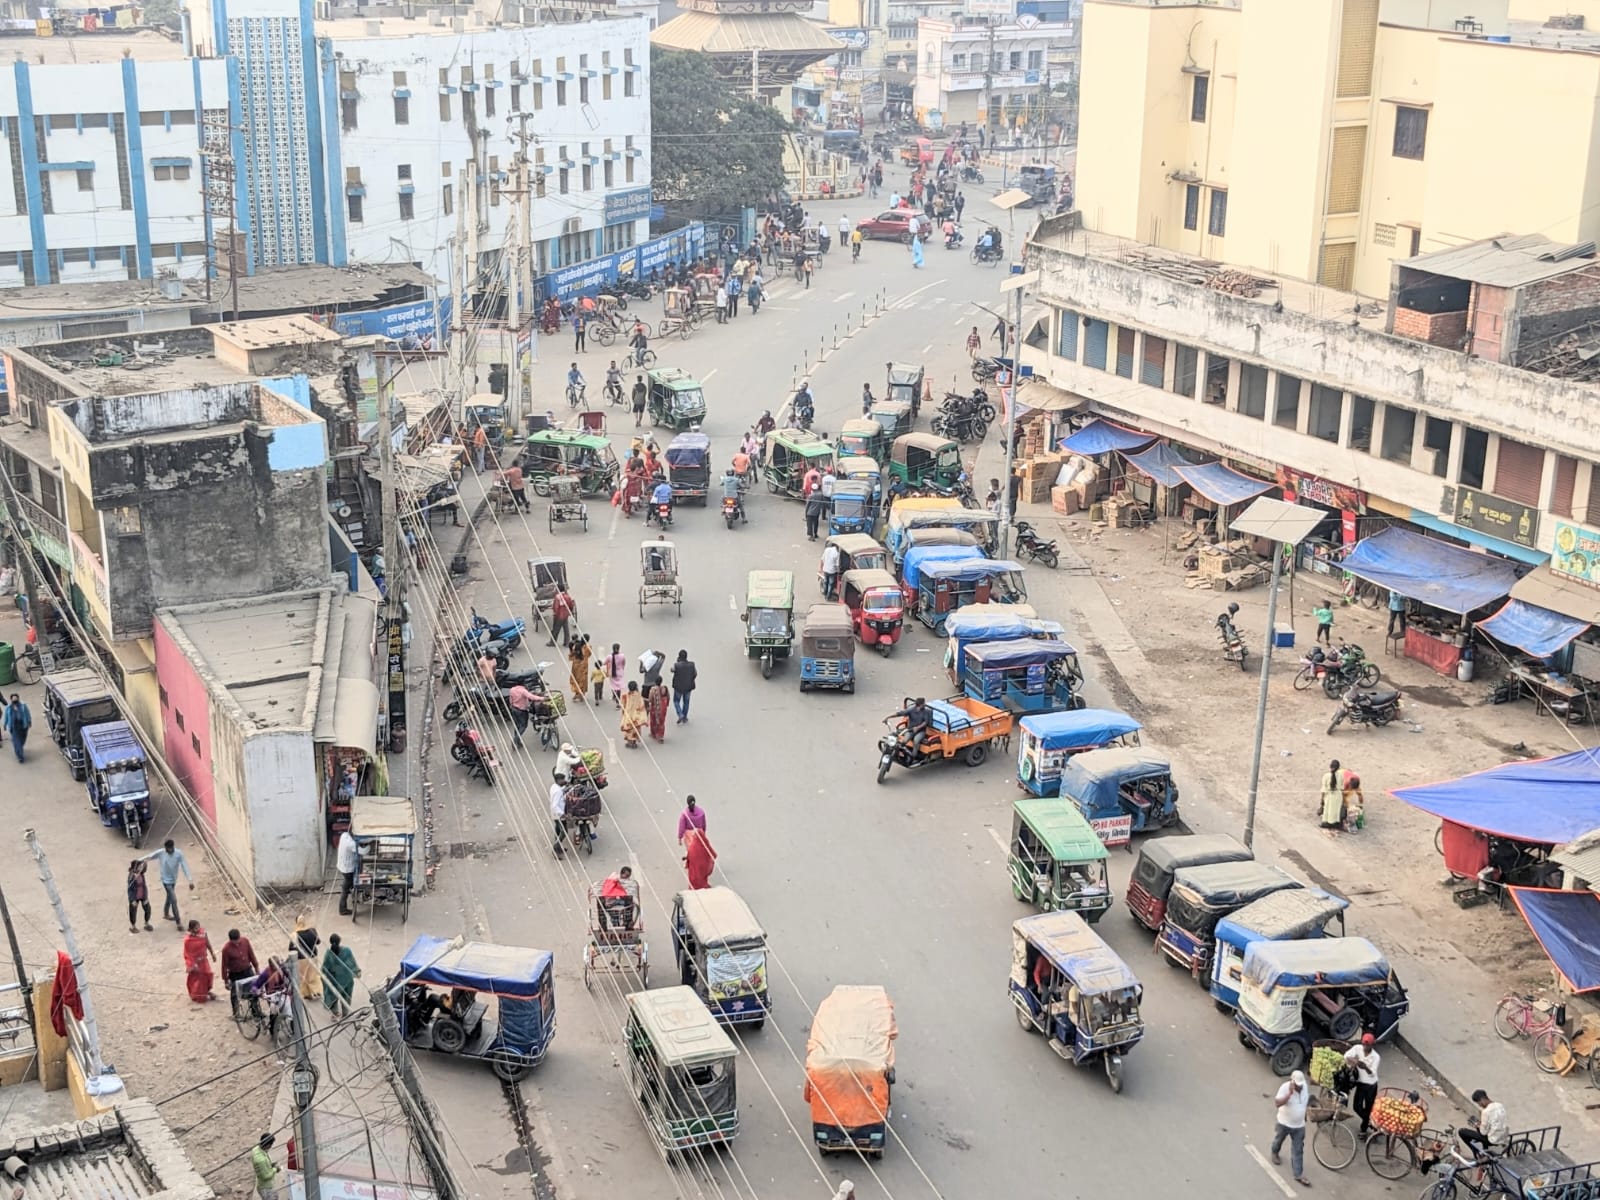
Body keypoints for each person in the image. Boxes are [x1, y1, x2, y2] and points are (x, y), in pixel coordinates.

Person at [1270, 1069, 1312, 1187]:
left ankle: (1298, 1174)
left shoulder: (1304, 1087)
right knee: (1279, 1139)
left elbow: (1304, 1102)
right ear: (1292, 1082)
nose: (1300, 1088)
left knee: (1298, 1149)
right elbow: (1277, 1103)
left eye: (1301, 1085)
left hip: (1299, 1126)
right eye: (1297, 1086)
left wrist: (1304, 1116)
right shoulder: (1284, 1087)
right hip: (1284, 1123)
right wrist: (1289, 1094)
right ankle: (1274, 1151)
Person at [140, 839, 193, 929]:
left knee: (169, 897)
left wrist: (190, 880)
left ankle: (166, 913)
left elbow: (185, 865)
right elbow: (150, 856)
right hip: (165, 881)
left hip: (173, 880)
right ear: (165, 848)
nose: (169, 851)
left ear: (173, 847)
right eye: (167, 849)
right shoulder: (161, 852)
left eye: (170, 849)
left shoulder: (178, 854)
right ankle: (178, 922)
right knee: (174, 900)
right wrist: (138, 861)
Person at [1344, 1033, 1381, 1135]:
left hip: (1371, 1086)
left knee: (1368, 1107)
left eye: (1367, 1045)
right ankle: (1370, 1121)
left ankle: (1363, 1129)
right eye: (1364, 1045)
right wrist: (1353, 1061)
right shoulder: (1357, 1048)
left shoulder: (1376, 1057)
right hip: (1360, 1083)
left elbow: (1372, 1073)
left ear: (1372, 1045)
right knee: (1357, 1106)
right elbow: (1346, 1056)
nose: (1365, 1047)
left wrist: (1365, 1067)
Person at [1460, 1089, 1509, 1160]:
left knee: (1462, 1132)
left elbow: (1483, 1132)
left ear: (1482, 1100)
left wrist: (1478, 1126)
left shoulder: (1486, 1112)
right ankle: (1484, 1151)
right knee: (1484, 1130)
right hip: (1503, 1135)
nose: (1480, 1105)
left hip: (1493, 1140)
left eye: (1479, 1103)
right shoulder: (1500, 1105)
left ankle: (1477, 1154)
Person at [322, 933, 361, 1017]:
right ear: (339, 941)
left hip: (334, 980)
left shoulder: (329, 954)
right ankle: (345, 1013)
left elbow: (324, 968)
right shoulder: (347, 951)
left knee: (333, 995)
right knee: (346, 996)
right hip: (346, 979)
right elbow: (352, 963)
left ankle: (335, 1013)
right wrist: (357, 972)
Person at [221, 928, 259, 1015]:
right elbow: (224, 965)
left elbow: (251, 954)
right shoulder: (226, 949)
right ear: (231, 940)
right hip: (235, 974)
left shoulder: (245, 941)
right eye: (235, 941)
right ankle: (236, 1013)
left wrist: (256, 968)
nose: (237, 943)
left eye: (238, 940)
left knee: (254, 990)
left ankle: (256, 1010)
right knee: (235, 994)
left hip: (247, 971)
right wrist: (226, 981)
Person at [183, 919, 216, 1003]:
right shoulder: (188, 940)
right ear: (191, 929)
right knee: (197, 980)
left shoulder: (203, 934)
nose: (198, 929)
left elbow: (207, 944)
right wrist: (192, 965)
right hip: (195, 963)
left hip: (204, 961)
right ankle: (197, 995)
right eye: (195, 928)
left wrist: (212, 954)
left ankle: (207, 991)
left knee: (208, 975)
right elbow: (187, 954)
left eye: (198, 927)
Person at [684, 824, 717, 890]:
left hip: (694, 865)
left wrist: (687, 864)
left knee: (694, 875)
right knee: (702, 875)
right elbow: (711, 852)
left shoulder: (692, 846)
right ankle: (703, 885)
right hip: (703, 864)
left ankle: (693, 886)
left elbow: (689, 857)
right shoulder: (705, 843)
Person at [336, 828, 360, 915]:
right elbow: (362, 851)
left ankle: (350, 890)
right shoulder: (351, 844)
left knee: (346, 886)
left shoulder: (344, 835)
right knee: (346, 889)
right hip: (348, 869)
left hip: (341, 866)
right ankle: (342, 909)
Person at [251, 1134, 281, 1200]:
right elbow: (265, 1176)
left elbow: (262, 1167)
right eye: (271, 1144)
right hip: (266, 1188)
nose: (271, 1146)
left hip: (266, 1185)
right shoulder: (260, 1160)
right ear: (268, 1145)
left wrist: (271, 1165)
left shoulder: (256, 1149)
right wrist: (275, 1169)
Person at [670, 649, 697, 724]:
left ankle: (680, 714)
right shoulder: (692, 664)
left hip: (678, 687)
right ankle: (684, 717)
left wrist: (677, 662)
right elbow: (695, 674)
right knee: (686, 702)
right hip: (688, 687)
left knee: (676, 701)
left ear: (679, 657)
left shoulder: (677, 665)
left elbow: (672, 670)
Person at [508, 681, 536, 747]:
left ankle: (518, 742)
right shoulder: (523, 691)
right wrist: (542, 698)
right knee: (523, 725)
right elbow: (531, 697)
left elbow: (510, 700)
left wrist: (512, 706)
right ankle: (515, 740)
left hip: (514, 709)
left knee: (517, 725)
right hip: (522, 711)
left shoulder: (512, 690)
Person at [1319, 759, 1344, 830]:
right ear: (1338, 768)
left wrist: (1322, 799)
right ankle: (1335, 824)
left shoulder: (1326, 776)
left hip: (1329, 795)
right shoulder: (1341, 776)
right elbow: (1342, 787)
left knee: (1328, 809)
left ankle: (1326, 823)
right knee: (1335, 810)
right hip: (1338, 795)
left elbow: (1323, 789)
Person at [620, 681, 647, 748]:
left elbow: (622, 705)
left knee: (628, 729)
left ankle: (630, 742)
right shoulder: (639, 695)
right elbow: (642, 706)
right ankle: (634, 742)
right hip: (636, 716)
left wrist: (623, 713)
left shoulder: (625, 696)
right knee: (636, 729)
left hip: (628, 716)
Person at [568, 635, 592, 703]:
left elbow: (571, 654)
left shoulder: (576, 646)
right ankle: (581, 694)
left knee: (575, 679)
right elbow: (589, 654)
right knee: (583, 680)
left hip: (575, 665)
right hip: (584, 666)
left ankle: (577, 693)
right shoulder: (588, 647)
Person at [645, 678, 669, 743]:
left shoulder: (653, 690)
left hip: (655, 708)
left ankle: (653, 734)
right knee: (661, 722)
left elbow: (650, 699)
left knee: (653, 721)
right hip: (663, 708)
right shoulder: (664, 688)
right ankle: (660, 736)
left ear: (655, 682)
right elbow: (668, 697)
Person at [605, 642, 627, 708]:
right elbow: (623, 663)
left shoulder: (609, 656)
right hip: (620, 673)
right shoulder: (622, 656)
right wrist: (622, 669)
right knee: (618, 687)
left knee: (613, 685)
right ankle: (618, 702)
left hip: (612, 673)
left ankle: (614, 696)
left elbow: (604, 662)